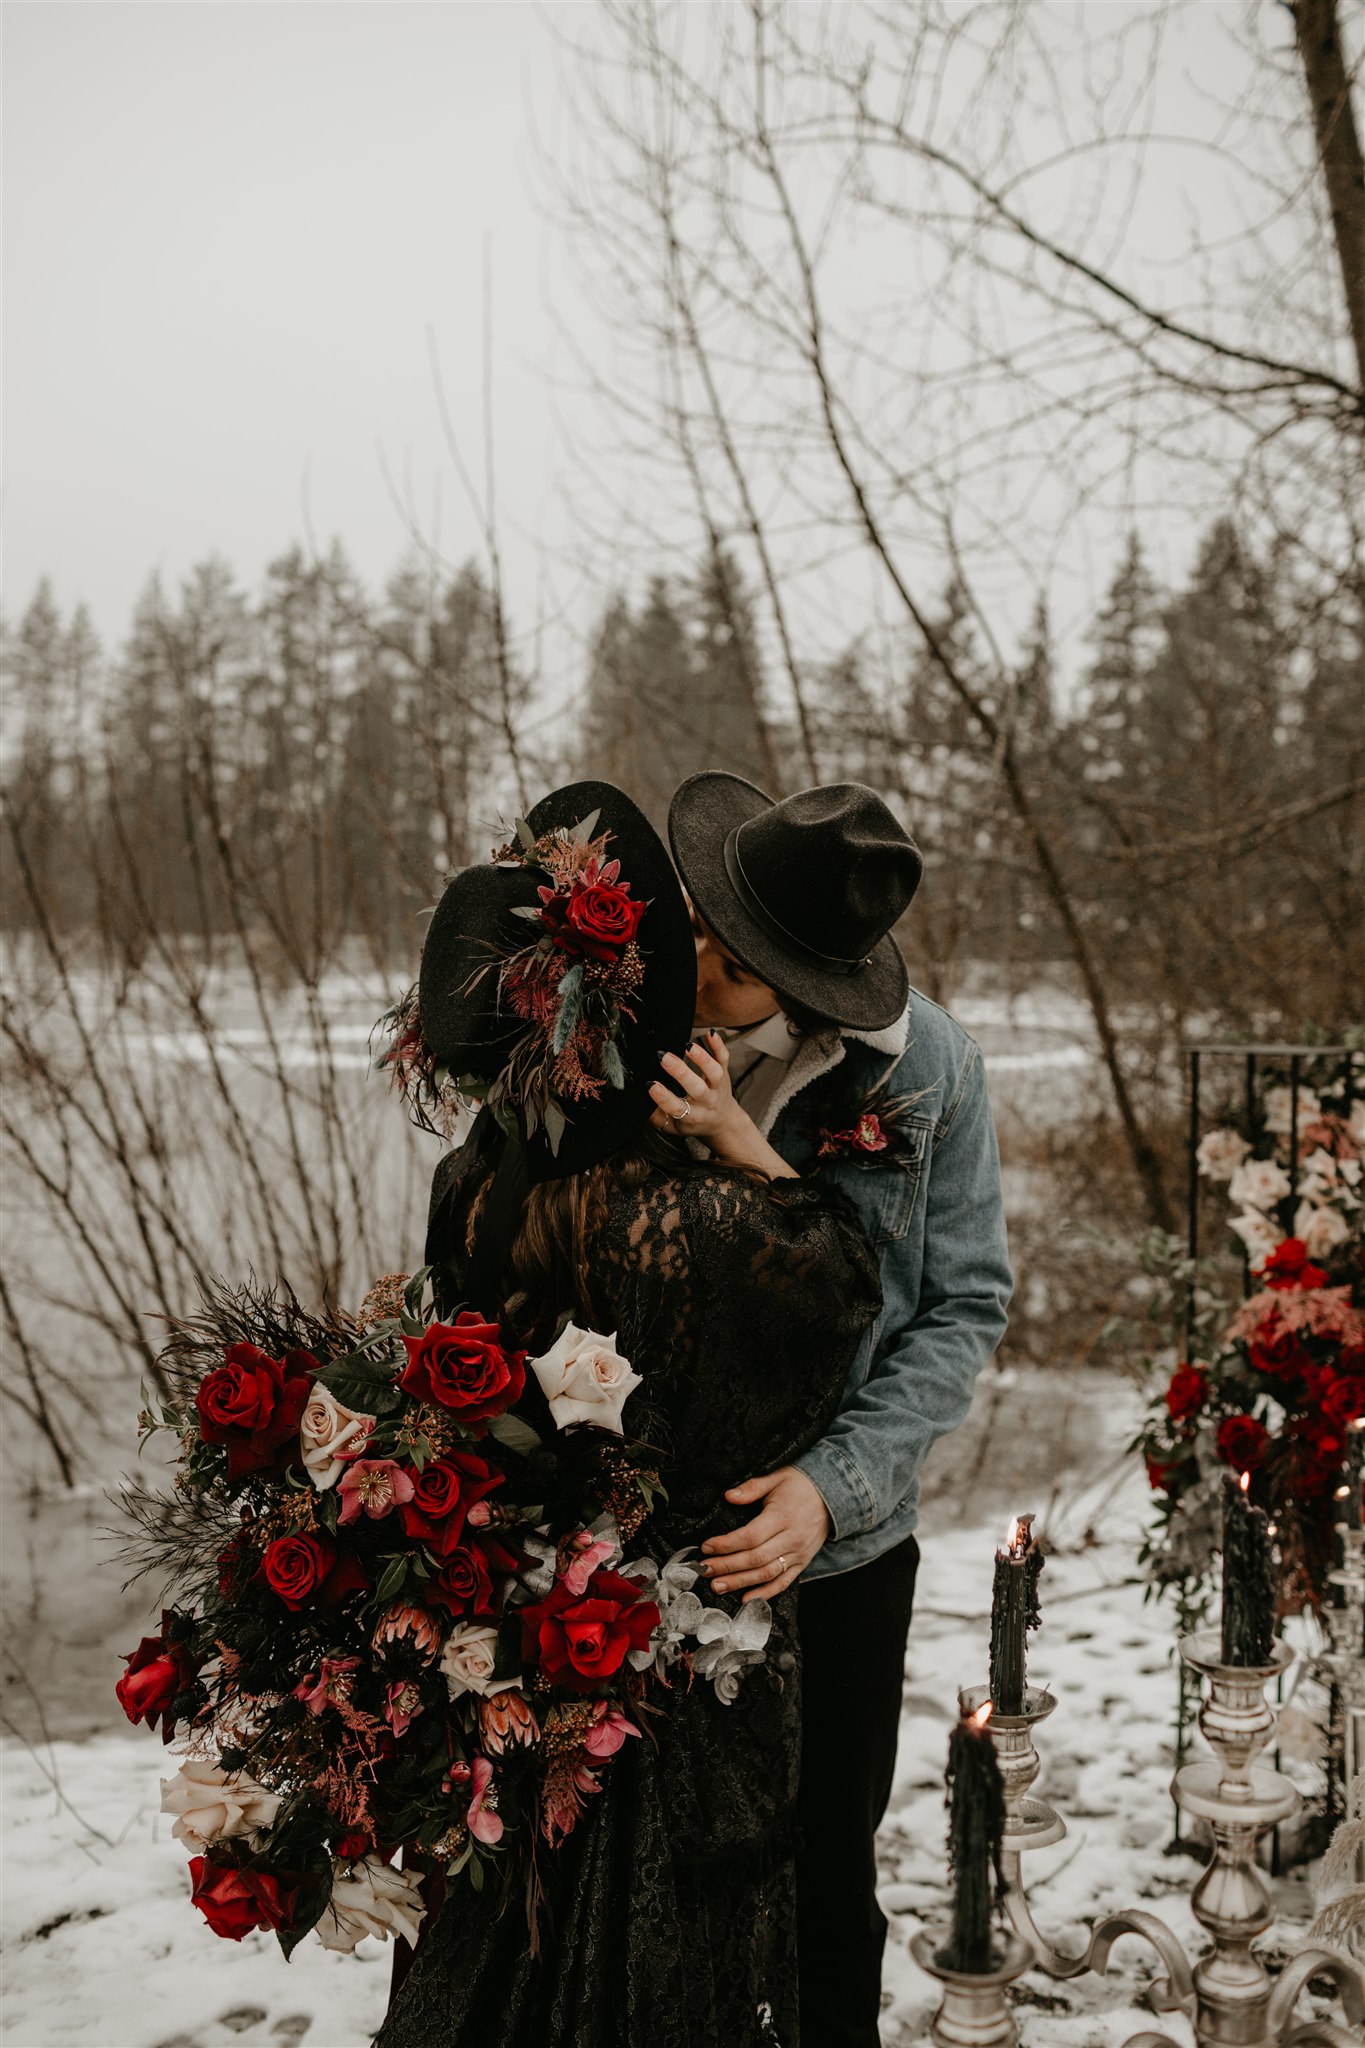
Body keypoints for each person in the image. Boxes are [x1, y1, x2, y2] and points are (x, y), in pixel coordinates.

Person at [376, 781, 881, 2048]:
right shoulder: (691, 1222)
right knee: (653, 1985)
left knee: (498, 1955)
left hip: (508, 1636)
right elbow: (839, 1282)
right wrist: (752, 1157)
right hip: (671, 1670)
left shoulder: (468, 1186)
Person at [657, 774, 1013, 2048]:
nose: (700, 960)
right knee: (651, 1878)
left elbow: (961, 1310)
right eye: (703, 920)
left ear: (811, 988)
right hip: (640, 1534)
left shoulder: (934, 1073)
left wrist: (833, 1488)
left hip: (844, 1553)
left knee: (820, 1873)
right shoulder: (643, 1005)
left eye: (736, 963)